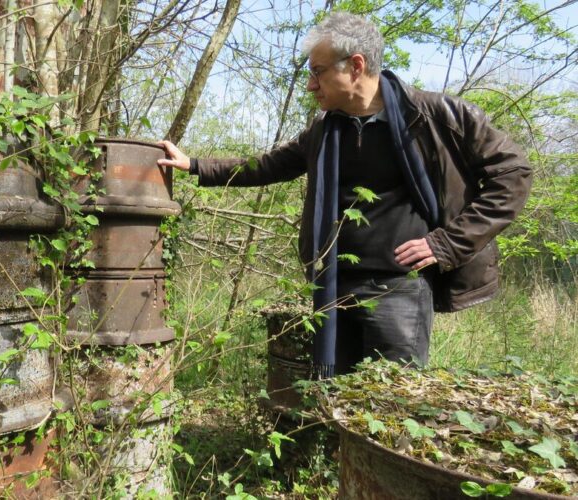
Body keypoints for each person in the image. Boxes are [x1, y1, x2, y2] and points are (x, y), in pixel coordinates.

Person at [157, 12, 532, 376]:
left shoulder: (436, 116)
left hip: (400, 288)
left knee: (389, 405)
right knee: (333, 400)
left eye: (317, 72)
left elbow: (513, 174)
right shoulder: (325, 130)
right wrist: (194, 165)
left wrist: (448, 243)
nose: (310, 84)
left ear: (355, 65)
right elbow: (270, 165)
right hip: (333, 283)